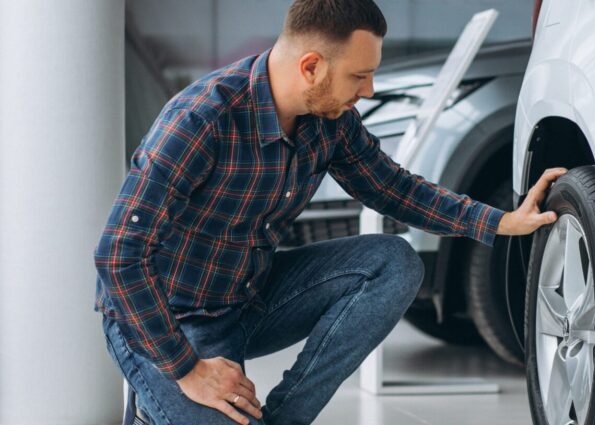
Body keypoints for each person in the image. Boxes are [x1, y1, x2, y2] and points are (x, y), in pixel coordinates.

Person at [93, 0, 566, 424]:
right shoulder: (202, 118)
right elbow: (119, 255)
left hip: (247, 297)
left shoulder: (331, 122)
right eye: (359, 76)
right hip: (166, 320)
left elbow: (393, 189)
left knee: (394, 263)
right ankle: (157, 399)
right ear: (312, 66)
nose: (369, 89)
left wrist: (501, 220)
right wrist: (186, 369)